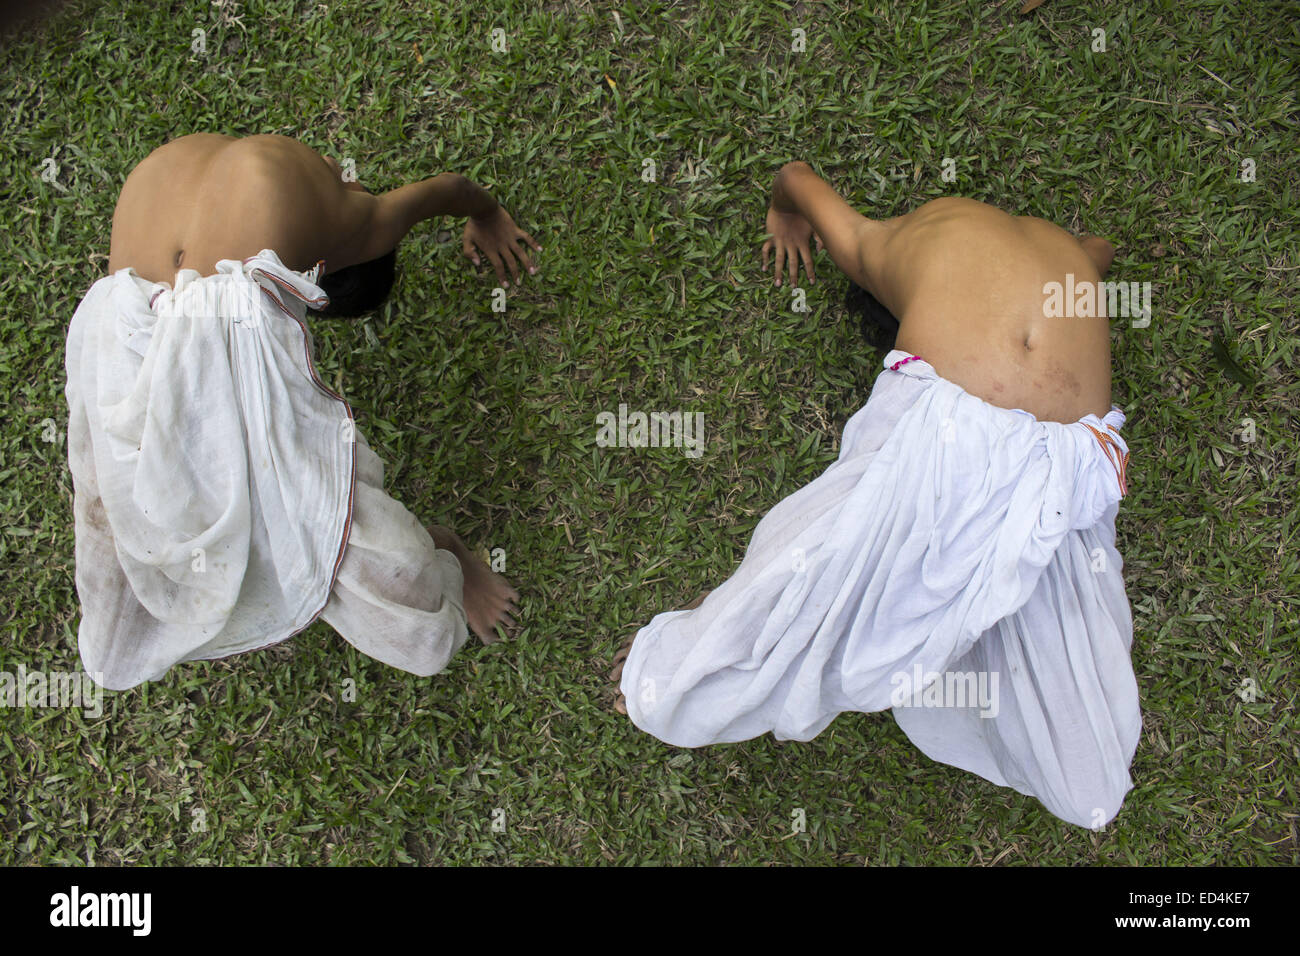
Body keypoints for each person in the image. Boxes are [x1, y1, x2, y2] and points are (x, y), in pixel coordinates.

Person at [614, 161, 1139, 829]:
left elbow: (797, 177)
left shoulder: (886, 248)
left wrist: (784, 216)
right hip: (1049, 456)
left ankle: (676, 673)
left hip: (1024, 457)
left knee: (825, 579)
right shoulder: (1065, 254)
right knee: (831, 571)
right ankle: (681, 666)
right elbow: (1100, 250)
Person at [66, 133, 537, 690]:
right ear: (324, 271)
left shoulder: (176, 154)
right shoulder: (352, 218)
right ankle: (423, 560)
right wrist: (489, 217)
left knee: (145, 520)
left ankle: (439, 549)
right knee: (184, 521)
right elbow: (451, 190)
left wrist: (484, 210)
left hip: (118, 333)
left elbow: (448, 189)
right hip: (156, 337)